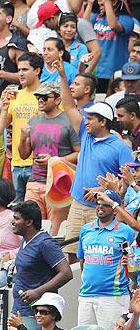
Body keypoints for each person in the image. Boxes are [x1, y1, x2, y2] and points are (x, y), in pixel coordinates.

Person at [56, 57, 134, 259]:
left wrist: (102, 189)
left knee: (96, 255)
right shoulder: (86, 134)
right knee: (72, 253)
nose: (86, 121)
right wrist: (63, 76)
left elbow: (131, 180)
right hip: (78, 204)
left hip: (104, 208)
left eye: (90, 118)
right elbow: (68, 105)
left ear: (103, 122)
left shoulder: (119, 147)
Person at [18, 81, 80, 235]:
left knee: (54, 231)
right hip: (34, 182)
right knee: (29, 228)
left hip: (58, 182)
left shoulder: (69, 122)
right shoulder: (33, 121)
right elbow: (24, 154)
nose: (40, 100)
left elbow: (79, 154)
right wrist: (22, 137)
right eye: (38, 96)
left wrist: (54, 160)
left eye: (45, 97)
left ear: (58, 100)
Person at [77, 188, 135, 328]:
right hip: (87, 295)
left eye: (106, 204)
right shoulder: (86, 230)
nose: (100, 207)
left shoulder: (124, 231)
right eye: (98, 203)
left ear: (115, 209)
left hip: (113, 296)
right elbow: (82, 261)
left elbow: (132, 262)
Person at [11, 201, 72, 330]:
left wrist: (38, 292)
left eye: (17, 219)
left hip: (36, 313)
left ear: (29, 222)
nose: (13, 222)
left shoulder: (45, 243)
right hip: (19, 309)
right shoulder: (25, 240)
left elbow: (66, 273)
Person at [7, 52, 41, 202]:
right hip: (17, 162)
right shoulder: (15, 95)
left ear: (37, 70)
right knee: (16, 212)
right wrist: (3, 106)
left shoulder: (48, 95)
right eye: (19, 69)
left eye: (25, 69)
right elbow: (2, 124)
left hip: (39, 164)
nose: (20, 73)